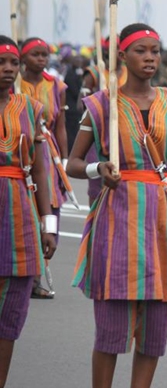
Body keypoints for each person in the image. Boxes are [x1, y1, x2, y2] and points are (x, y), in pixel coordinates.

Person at [67, 24, 167, 388]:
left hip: (165, 220)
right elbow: (73, 164)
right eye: (141, 50)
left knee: (156, 326)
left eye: (155, 51)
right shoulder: (101, 105)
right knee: (112, 324)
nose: (150, 58)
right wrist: (100, 168)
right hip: (118, 218)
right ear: (123, 56)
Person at [0, 36, 57, 386]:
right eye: (1, 63)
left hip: (19, 210)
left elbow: (39, 169)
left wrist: (48, 222)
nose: (8, 69)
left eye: (12, 64)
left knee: (10, 313)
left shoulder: (31, 108)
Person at [20, 37, 67, 300]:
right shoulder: (15, 83)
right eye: (36, 55)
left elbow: (59, 124)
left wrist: (65, 159)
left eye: (45, 55)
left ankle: (36, 276)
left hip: (48, 153)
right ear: (23, 58)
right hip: (19, 148)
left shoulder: (57, 85)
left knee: (49, 206)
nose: (41, 59)